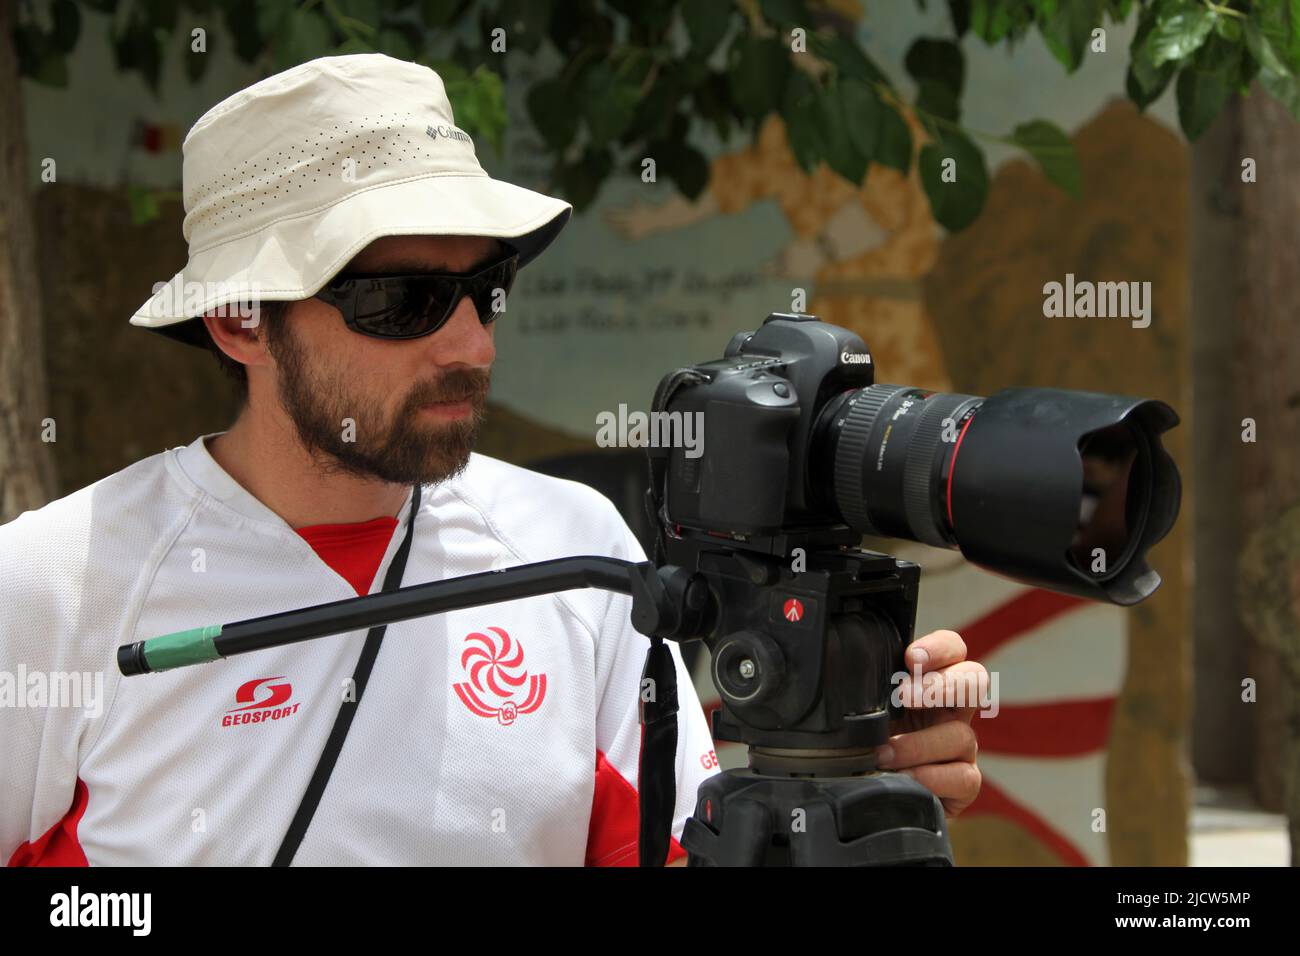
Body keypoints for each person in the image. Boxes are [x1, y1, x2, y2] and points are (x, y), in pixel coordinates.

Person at [0, 54, 983, 866]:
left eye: (486, 286)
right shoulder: (55, 581)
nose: (472, 345)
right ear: (240, 320)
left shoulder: (576, 545)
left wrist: (839, 779)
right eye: (405, 302)